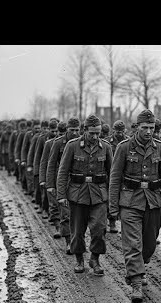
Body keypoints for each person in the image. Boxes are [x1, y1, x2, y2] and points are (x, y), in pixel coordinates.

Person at [109, 109, 161, 303]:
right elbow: (115, 178)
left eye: (151, 128)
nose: (148, 131)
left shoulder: (159, 147)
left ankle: (140, 266)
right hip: (130, 201)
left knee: (150, 244)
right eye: (145, 127)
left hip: (153, 201)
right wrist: (113, 207)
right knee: (133, 244)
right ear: (137, 127)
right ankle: (136, 282)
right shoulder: (124, 147)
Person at [57, 114, 113, 275]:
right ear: (84, 130)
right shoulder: (72, 146)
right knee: (77, 230)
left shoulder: (106, 147)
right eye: (92, 133)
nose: (95, 137)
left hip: (99, 194)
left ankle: (95, 259)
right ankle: (79, 259)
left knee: (99, 228)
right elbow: (63, 172)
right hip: (77, 194)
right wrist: (61, 195)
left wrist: (113, 198)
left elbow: (113, 173)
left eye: (98, 133)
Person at [47, 117, 82, 253]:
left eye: (77, 130)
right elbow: (50, 165)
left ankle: (77, 239)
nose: (74, 133)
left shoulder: (80, 142)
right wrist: (50, 185)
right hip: (62, 182)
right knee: (65, 214)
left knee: (78, 215)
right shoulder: (58, 143)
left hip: (78, 183)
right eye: (72, 130)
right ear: (66, 129)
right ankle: (69, 242)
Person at [106, 120, 129, 233]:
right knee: (111, 196)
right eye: (117, 132)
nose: (119, 134)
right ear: (113, 131)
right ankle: (112, 221)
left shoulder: (129, 141)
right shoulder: (107, 142)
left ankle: (125, 223)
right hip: (111, 173)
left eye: (121, 132)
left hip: (125, 175)